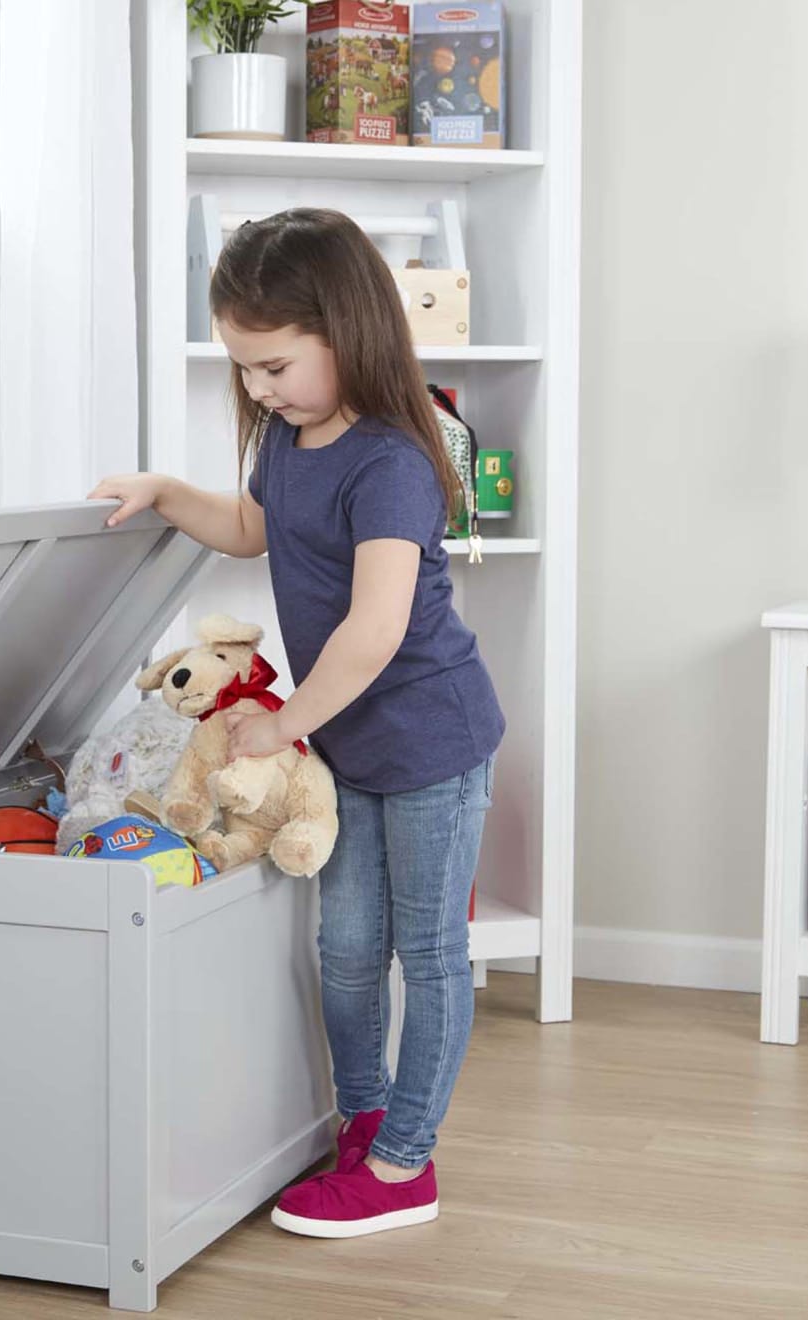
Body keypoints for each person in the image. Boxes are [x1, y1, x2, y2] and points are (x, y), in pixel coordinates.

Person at [88, 208, 503, 1239]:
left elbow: (374, 631)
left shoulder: (393, 461)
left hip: (431, 740)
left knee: (428, 952)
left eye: (273, 365)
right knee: (347, 947)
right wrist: (167, 491)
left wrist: (282, 726)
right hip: (351, 743)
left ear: (345, 328)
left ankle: (405, 1163)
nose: (259, 387)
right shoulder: (286, 439)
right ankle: (364, 1121)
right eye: (244, 368)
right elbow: (249, 529)